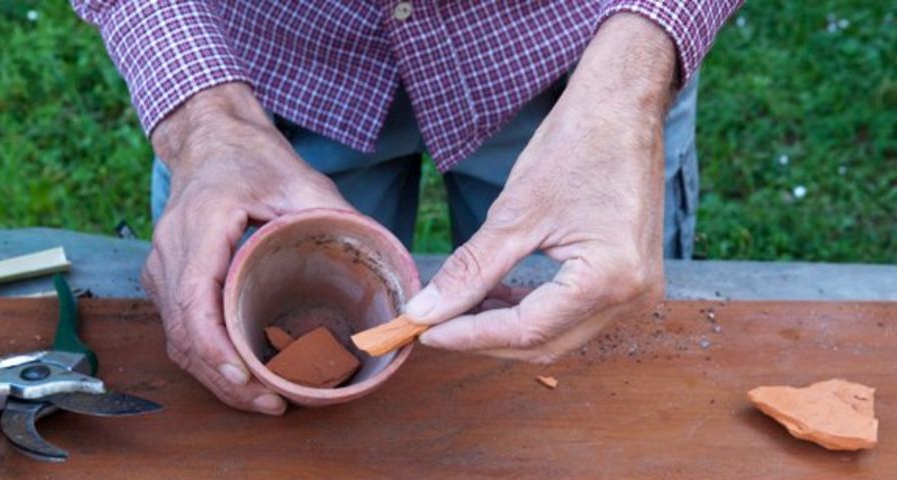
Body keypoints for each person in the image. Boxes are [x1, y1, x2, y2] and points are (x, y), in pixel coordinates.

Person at [72, 1, 741, 414]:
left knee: (587, 380)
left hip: (578, 62)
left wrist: (630, 79)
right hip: (260, 66)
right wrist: (204, 120)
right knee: (242, 357)